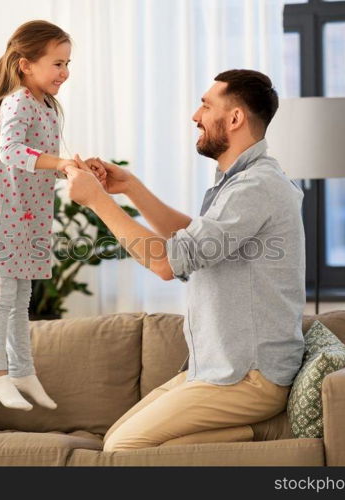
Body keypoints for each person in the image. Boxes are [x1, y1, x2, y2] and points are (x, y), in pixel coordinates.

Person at [64, 70, 306, 450]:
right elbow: (193, 240)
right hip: (219, 371)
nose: (196, 115)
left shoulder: (255, 186)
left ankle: (264, 431)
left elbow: (166, 262)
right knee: (114, 438)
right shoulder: (240, 182)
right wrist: (130, 187)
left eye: (206, 105)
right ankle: (259, 433)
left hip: (247, 378)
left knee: (123, 449)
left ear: (235, 119)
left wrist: (98, 200)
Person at [0, 20, 105, 410]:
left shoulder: (48, 106)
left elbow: (44, 158)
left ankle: (22, 369)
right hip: (2, 215)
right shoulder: (18, 101)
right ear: (26, 64)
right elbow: (12, 152)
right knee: (2, 295)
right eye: (57, 63)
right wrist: (61, 164)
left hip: (29, 216)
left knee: (21, 298)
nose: (65, 72)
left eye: (67, 63)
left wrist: (74, 165)